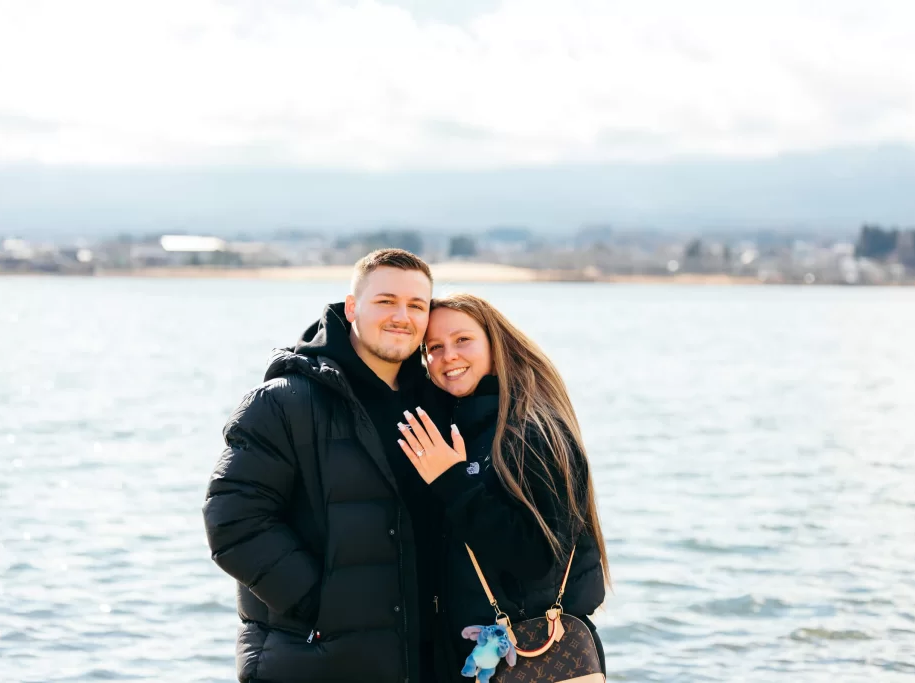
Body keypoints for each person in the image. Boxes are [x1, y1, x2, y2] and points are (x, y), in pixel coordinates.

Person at [202, 248, 448, 683]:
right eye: (386, 301)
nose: (402, 316)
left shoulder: (436, 405)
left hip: (414, 664)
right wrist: (320, 605)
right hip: (308, 662)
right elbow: (233, 520)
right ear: (352, 307)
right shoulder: (284, 401)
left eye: (417, 305)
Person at [395, 293, 610, 680]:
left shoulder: (533, 431)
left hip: (536, 655)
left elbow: (539, 559)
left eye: (462, 340)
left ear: (495, 344)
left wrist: (451, 482)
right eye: (434, 348)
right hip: (477, 658)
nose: (448, 356)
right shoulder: (462, 427)